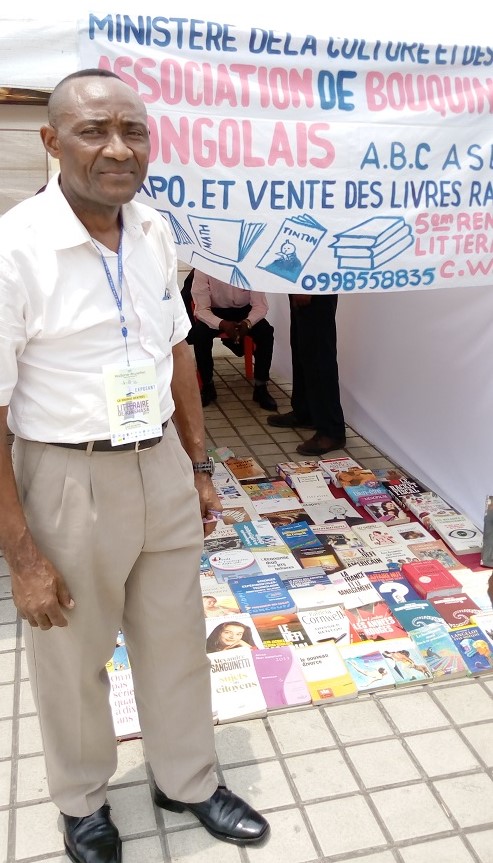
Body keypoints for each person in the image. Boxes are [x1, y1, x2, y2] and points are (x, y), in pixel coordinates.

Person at [0, 69, 269, 863]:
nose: (118, 149)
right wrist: (20, 552)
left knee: (175, 635)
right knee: (73, 649)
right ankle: (82, 800)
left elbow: (177, 352)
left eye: (134, 131)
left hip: (158, 461)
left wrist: (197, 463)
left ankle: (185, 778)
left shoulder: (154, 231)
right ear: (51, 143)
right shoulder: (16, 250)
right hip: (66, 473)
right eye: (93, 131)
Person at [267, 294, 346, 455]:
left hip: (315, 284)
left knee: (319, 357)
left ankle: (332, 431)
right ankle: (305, 411)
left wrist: (308, 287)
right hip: (300, 281)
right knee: (302, 350)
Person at [190, 269, 278, 410]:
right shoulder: (204, 266)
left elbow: (260, 306)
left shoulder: (250, 265)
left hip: (245, 311)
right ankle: (207, 385)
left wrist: (248, 322)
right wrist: (222, 324)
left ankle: (261, 386)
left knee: (266, 333)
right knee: (199, 334)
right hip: (215, 311)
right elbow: (201, 310)